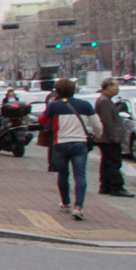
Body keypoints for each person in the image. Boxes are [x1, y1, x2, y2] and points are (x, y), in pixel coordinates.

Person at [39, 77, 100, 220]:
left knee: (63, 174)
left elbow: (42, 121)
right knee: (80, 175)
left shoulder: (54, 106)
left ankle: (66, 204)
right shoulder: (85, 105)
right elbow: (97, 125)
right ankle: (78, 207)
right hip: (80, 143)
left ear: (57, 91)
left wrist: (50, 106)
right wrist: (97, 136)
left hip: (60, 143)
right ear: (73, 90)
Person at [94, 79, 134, 198]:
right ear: (108, 87)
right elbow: (107, 121)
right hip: (109, 138)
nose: (118, 89)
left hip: (106, 138)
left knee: (107, 162)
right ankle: (117, 187)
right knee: (113, 163)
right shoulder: (104, 101)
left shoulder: (106, 100)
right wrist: (114, 135)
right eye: (116, 86)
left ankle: (106, 186)